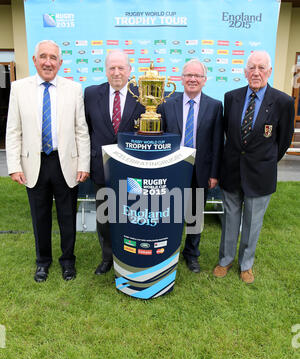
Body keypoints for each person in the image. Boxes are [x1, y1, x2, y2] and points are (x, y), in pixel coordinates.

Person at [6, 40, 90, 282]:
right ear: (34, 60)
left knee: (67, 215)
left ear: (60, 63)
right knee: (39, 215)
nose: (48, 62)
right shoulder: (18, 89)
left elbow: (80, 130)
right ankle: (42, 262)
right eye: (43, 56)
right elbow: (13, 131)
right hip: (34, 163)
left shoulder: (74, 89)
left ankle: (68, 261)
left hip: (66, 163)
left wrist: (84, 163)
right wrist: (14, 166)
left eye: (53, 58)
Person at [213, 50, 295, 284]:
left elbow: (284, 140)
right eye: (252, 67)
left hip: (261, 173)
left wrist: (265, 160)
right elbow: (230, 133)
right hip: (231, 170)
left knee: (252, 222)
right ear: (245, 71)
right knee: (230, 218)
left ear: (269, 71)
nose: (256, 72)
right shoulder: (231, 97)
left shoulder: (283, 102)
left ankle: (246, 264)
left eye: (261, 68)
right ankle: (225, 260)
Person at [158, 59, 223, 273]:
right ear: (181, 78)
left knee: (195, 214)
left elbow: (216, 143)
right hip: (173, 170)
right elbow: (162, 139)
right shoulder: (167, 104)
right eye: (188, 75)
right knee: (171, 214)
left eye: (197, 76)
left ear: (204, 80)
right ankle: (169, 251)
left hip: (200, 170)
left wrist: (214, 173)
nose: (193, 79)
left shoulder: (214, 106)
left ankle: (192, 254)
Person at [84, 50, 144, 275]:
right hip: (102, 168)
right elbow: (88, 129)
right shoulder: (91, 94)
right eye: (112, 68)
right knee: (105, 216)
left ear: (130, 70)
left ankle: (131, 255)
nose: (116, 72)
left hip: (134, 172)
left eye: (121, 68)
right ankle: (107, 257)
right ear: (105, 70)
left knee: (133, 214)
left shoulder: (142, 95)